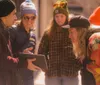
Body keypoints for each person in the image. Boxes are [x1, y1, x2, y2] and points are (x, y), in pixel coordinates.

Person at [38, 0, 82, 85]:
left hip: (70, 74)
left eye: (62, 16)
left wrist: (77, 66)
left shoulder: (72, 30)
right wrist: (46, 67)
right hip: (52, 74)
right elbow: (41, 52)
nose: (59, 19)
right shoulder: (48, 33)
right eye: (57, 16)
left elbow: (81, 49)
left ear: (66, 16)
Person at [8, 0, 40, 85]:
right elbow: (6, 56)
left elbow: (31, 55)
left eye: (32, 17)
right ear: (22, 17)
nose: (30, 20)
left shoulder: (33, 34)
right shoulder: (12, 31)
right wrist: (22, 53)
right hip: (15, 78)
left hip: (29, 77)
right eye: (26, 17)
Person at [68, 15, 96, 85]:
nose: (69, 36)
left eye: (71, 32)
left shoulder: (93, 45)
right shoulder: (84, 46)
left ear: (81, 31)